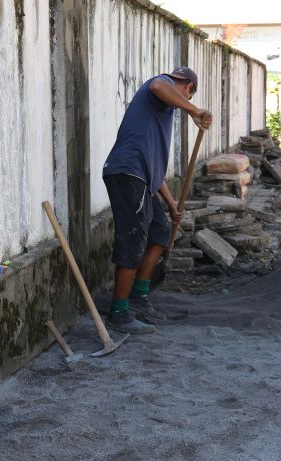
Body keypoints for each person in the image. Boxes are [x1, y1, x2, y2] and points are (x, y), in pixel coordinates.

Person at [102, 67, 213, 334]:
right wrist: (194, 110)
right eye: (187, 94)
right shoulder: (161, 84)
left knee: (160, 230)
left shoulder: (156, 120)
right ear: (187, 86)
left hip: (141, 177)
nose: (184, 99)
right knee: (133, 239)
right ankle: (118, 312)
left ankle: (139, 297)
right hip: (126, 172)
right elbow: (158, 87)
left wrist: (172, 204)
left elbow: (155, 173)